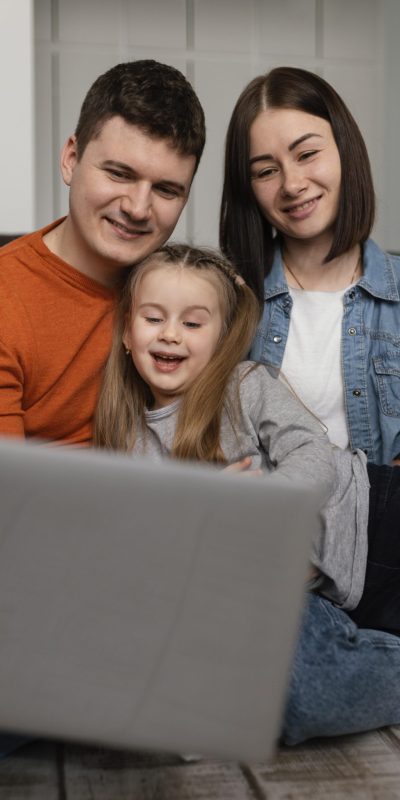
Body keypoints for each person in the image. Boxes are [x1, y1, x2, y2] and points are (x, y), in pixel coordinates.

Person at [94, 242, 400, 745]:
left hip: (374, 516)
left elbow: (315, 453)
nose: (171, 333)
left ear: (221, 337)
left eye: (193, 324)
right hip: (301, 591)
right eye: (154, 318)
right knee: (302, 698)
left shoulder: (245, 385)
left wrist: (254, 507)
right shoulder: (125, 442)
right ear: (127, 332)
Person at [220, 64, 400, 636]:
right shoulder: (228, 302)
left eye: (306, 154)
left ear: (344, 149)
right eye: (265, 170)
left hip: (382, 554)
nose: (291, 184)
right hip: (268, 561)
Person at [0, 59, 205, 445]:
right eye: (119, 174)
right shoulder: (7, 300)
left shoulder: (188, 293)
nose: (138, 208)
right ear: (71, 159)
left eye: (165, 190)